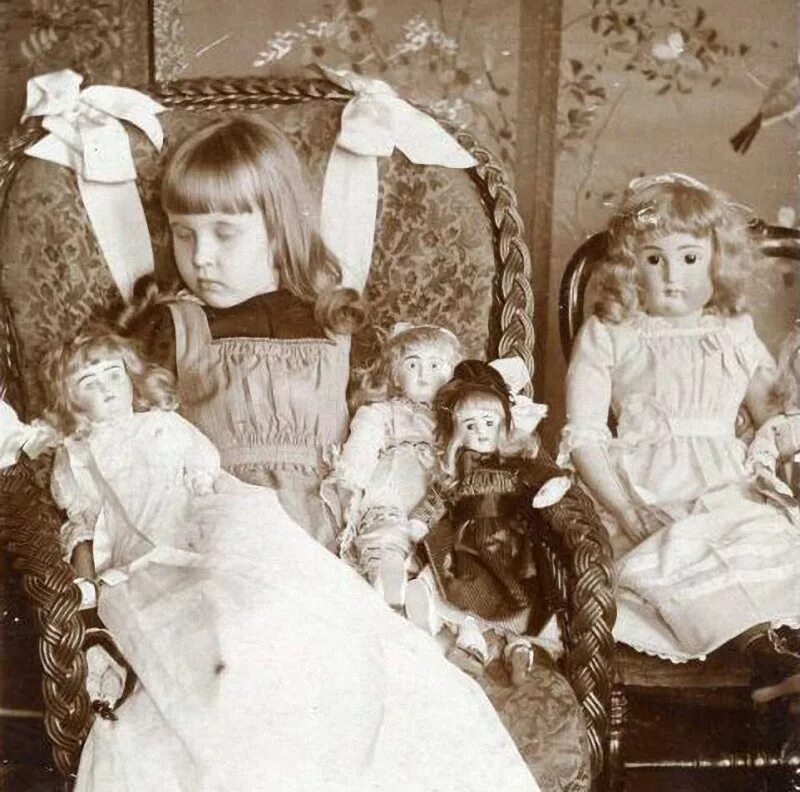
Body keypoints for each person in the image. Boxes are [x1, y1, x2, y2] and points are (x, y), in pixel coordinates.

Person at [41, 326, 542, 792]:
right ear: (71, 400)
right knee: (198, 646)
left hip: (202, 527)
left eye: (113, 375)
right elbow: (84, 526)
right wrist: (86, 586)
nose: (106, 389)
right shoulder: (76, 455)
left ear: (131, 377)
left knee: (272, 606)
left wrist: (211, 528)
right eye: (89, 383)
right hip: (140, 564)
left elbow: (205, 481)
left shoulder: (164, 426)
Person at [559, 172, 800, 677]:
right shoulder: (610, 333)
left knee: (763, 542)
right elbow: (584, 436)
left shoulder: (733, 330)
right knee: (682, 557)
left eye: (690, 258)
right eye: (654, 259)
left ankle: (783, 658)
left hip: (730, 486)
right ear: (630, 266)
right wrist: (625, 510)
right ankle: (766, 657)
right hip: (649, 491)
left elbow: (774, 415)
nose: (673, 275)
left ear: (717, 260)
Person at [121, 115, 364, 549]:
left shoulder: (337, 322)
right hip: (217, 541)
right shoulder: (171, 327)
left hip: (333, 540)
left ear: (278, 230)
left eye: (224, 233)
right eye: (184, 234)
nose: (201, 257)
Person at [405, 359, 573, 685]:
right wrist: (420, 522)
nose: (481, 431)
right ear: (457, 433)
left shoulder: (515, 466)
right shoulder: (458, 471)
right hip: (467, 544)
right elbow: (438, 498)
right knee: (460, 587)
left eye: (488, 422)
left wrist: (552, 484)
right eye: (470, 426)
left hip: (509, 543)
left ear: (504, 425)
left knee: (519, 596)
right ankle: (477, 642)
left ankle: (514, 646)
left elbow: (543, 476)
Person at [326, 322, 461, 606]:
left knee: (446, 544)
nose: (424, 374)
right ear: (396, 376)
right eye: (412, 364)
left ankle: (425, 592)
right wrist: (352, 479)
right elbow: (364, 442)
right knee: (384, 528)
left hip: (436, 495)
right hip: (394, 485)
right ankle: (388, 574)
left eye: (435, 365)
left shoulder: (455, 419)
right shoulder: (383, 412)